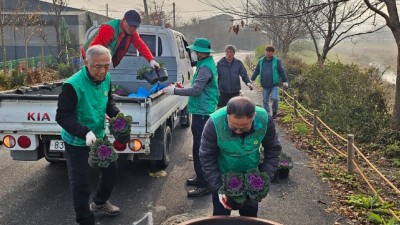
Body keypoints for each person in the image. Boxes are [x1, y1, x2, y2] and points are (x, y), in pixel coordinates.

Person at [56, 45, 121, 225]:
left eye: (107, 66)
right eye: (97, 67)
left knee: (111, 170)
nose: (102, 71)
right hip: (77, 141)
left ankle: (99, 203)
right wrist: (84, 132)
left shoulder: (106, 78)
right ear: (86, 63)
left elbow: (109, 102)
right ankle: (84, 220)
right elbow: (62, 116)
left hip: (99, 136)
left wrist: (117, 116)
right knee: (81, 184)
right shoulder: (72, 85)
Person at [199, 96, 281, 217]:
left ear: (253, 117)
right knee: (220, 217)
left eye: (243, 128)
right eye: (233, 127)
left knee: (249, 216)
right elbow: (207, 157)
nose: (238, 131)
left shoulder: (264, 119)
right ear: (227, 115)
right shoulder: (214, 123)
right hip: (222, 177)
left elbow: (273, 149)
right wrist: (219, 188)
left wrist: (264, 178)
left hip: (251, 178)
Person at [162, 38, 219, 197]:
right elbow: (197, 87)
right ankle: (200, 176)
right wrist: (181, 88)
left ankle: (204, 184)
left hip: (203, 112)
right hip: (202, 109)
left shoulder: (205, 68)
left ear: (201, 52)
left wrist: (174, 91)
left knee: (201, 148)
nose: (193, 53)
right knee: (198, 146)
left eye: (195, 51)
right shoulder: (205, 64)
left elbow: (196, 91)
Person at [81, 10, 160, 70]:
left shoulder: (132, 33)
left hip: (100, 60)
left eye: (135, 27)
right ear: (124, 20)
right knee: (92, 81)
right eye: (130, 25)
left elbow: (141, 45)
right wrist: (97, 64)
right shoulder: (109, 29)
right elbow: (94, 48)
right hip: (89, 57)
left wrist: (151, 60)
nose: (132, 29)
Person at [251, 45, 288, 119]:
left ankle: (274, 112)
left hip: (274, 84)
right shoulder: (261, 61)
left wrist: (285, 81)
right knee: (265, 100)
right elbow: (257, 70)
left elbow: (281, 71)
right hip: (265, 84)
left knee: (275, 98)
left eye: (270, 52)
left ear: (273, 53)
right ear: (265, 52)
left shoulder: (277, 61)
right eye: (267, 51)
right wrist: (252, 79)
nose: (268, 53)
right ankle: (267, 114)